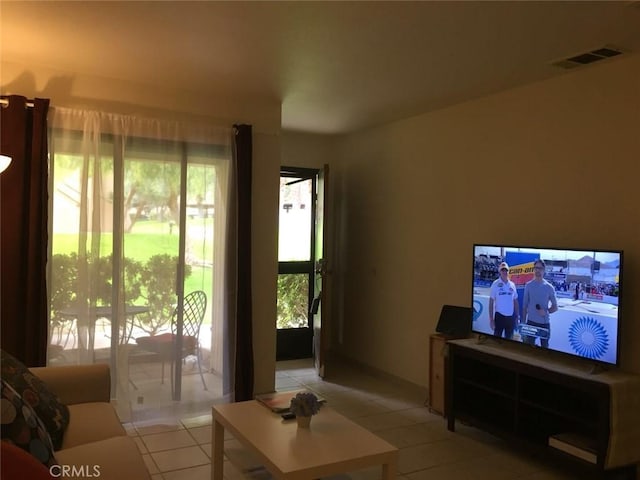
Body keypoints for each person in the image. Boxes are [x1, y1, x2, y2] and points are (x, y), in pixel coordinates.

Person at [522, 259, 558, 348]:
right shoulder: (528, 285)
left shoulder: (549, 287)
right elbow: (524, 306)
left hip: (544, 324)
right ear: (534, 269)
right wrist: (523, 323)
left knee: (544, 350)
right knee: (528, 349)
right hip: (531, 323)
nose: (538, 270)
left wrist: (546, 312)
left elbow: (555, 307)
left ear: (544, 270)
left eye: (540, 268)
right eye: (536, 268)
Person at [488, 262, 519, 339]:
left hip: (510, 318)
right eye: (502, 270)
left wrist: (517, 317)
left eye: (506, 270)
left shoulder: (512, 285)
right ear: (499, 271)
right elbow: (491, 302)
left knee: (509, 341)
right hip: (499, 317)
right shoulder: (495, 284)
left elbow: (515, 302)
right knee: (496, 340)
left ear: (508, 271)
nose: (504, 272)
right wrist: (491, 320)